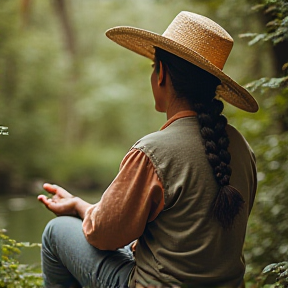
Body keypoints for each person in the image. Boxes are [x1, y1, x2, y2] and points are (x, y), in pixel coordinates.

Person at [38, 11, 258, 288]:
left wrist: (80, 211)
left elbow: (104, 235)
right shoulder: (241, 147)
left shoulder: (154, 151)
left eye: (153, 66)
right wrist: (82, 205)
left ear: (162, 73)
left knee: (56, 231)